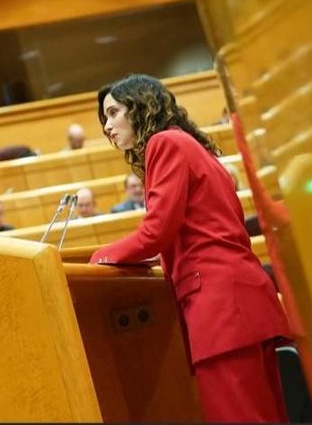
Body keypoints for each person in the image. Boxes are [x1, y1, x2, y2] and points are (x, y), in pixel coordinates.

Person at [90, 74, 289, 423]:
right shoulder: (191, 145)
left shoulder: (164, 143)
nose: (107, 126)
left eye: (114, 112)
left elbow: (156, 232)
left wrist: (100, 259)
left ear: (140, 107)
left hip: (219, 306)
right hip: (242, 298)